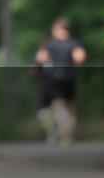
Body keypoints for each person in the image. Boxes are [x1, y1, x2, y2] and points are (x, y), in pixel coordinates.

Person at [35, 18, 86, 146]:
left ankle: (61, 133)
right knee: (70, 107)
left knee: (58, 107)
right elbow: (79, 58)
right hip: (69, 78)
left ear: (57, 29)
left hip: (55, 79)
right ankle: (68, 135)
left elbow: (40, 58)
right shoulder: (73, 43)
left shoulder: (50, 44)